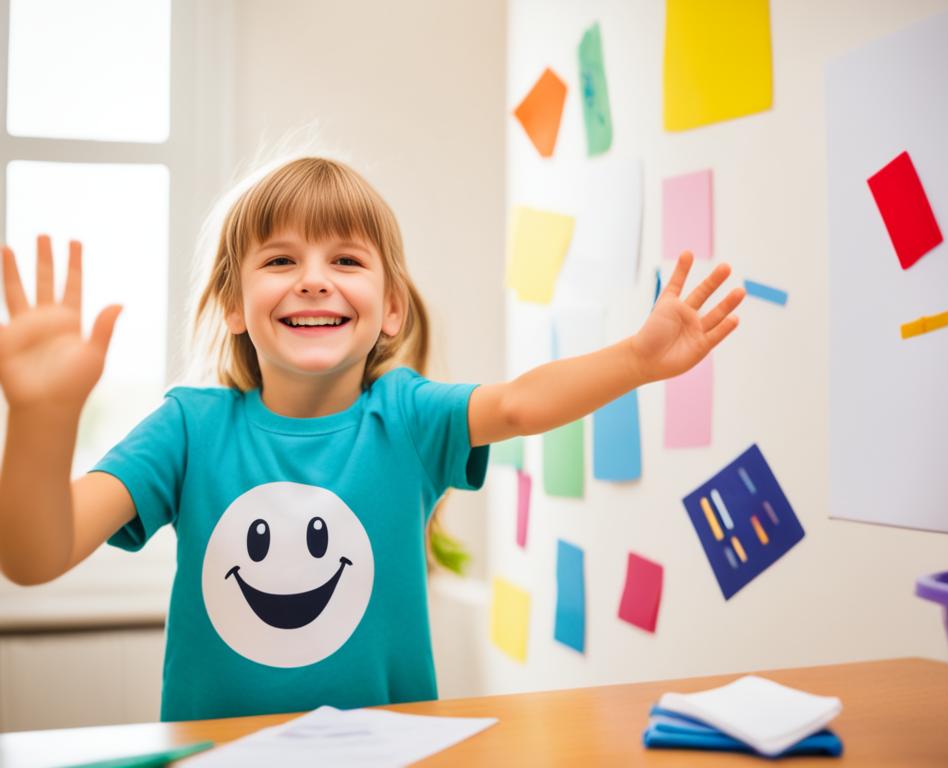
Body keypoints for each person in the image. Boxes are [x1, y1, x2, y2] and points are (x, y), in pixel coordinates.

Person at [0, 157, 744, 721]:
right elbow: (33, 557)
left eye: (345, 260)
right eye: (280, 260)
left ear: (391, 309)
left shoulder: (407, 417)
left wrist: (638, 360)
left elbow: (518, 407)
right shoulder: (188, 429)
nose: (313, 280)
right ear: (232, 304)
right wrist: (41, 419)